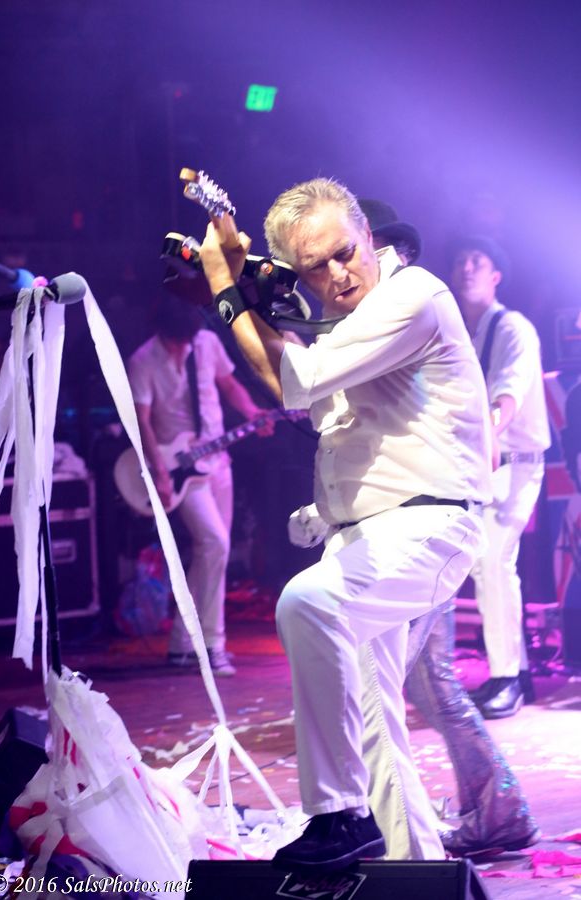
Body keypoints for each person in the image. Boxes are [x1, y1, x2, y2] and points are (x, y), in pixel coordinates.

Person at [197, 177, 492, 868]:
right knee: (372, 723)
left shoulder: (414, 294)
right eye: (315, 267)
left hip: (429, 529)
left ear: (368, 236)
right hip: (366, 538)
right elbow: (314, 395)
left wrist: (225, 287)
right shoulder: (345, 330)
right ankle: (416, 869)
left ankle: (337, 816)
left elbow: (290, 381)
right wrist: (238, 290)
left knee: (308, 603)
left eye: (345, 253)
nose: (337, 274)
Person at [288, 201, 539, 858]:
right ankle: (424, 846)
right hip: (401, 522)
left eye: (365, 255)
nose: (351, 276)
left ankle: (494, 807)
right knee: (396, 691)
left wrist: (486, 432)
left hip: (460, 502)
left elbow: (503, 398)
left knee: (428, 678)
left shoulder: (483, 322)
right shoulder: (371, 339)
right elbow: (365, 441)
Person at [127, 285, 271, 676]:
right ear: (162, 333)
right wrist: (159, 471)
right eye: (175, 343)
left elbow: (230, 385)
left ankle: (185, 644)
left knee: (214, 555)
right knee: (214, 543)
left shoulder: (205, 343)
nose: (181, 349)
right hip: (178, 467)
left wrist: (251, 412)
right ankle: (210, 645)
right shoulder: (143, 361)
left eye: (185, 342)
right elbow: (141, 421)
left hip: (217, 461)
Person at [450, 237, 551, 718]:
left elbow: (508, 393)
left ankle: (507, 676)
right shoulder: (460, 335)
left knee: (492, 562)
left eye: (478, 260)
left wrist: (488, 435)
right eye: (461, 260)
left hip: (516, 463)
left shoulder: (513, 328)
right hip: (480, 465)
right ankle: (518, 673)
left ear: (496, 276)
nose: (467, 267)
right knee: (483, 565)